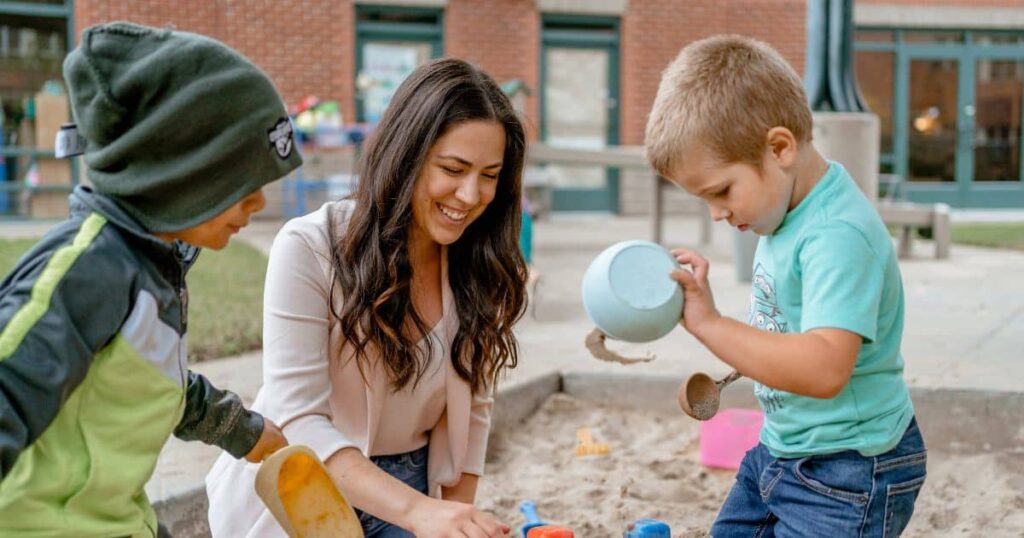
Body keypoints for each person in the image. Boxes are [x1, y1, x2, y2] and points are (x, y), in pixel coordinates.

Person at [206, 57, 528, 538]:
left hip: (413, 485)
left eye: (489, 174)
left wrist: (455, 518)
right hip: (303, 487)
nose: (469, 194)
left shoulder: (479, 261)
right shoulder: (310, 248)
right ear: (406, 154)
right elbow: (298, 418)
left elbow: (474, 414)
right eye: (453, 168)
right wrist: (419, 514)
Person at [0, 22, 294, 537]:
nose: (259, 203)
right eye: (243, 182)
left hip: (111, 517)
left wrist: (240, 430)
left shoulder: (153, 264)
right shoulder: (88, 271)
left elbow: (155, 384)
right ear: (178, 172)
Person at [645, 35, 926, 537]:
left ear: (779, 148)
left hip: (851, 470)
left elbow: (823, 368)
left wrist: (710, 325)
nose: (716, 212)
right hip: (781, 450)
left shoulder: (837, 235)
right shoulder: (784, 214)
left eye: (721, 191)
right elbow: (781, 328)